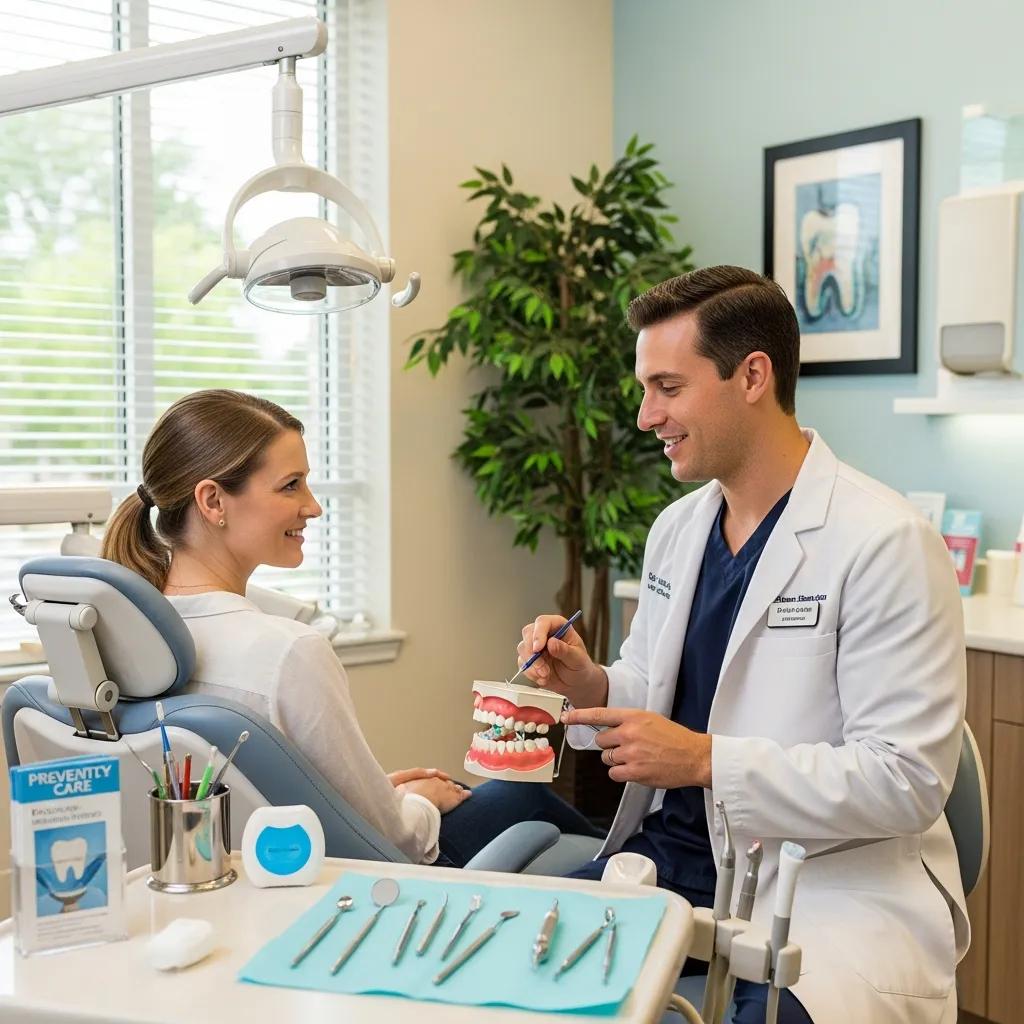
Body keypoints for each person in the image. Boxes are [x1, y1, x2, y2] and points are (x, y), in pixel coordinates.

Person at [516, 267, 967, 1024]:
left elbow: (909, 779)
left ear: (752, 375)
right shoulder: (678, 530)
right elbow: (658, 698)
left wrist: (703, 760)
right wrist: (592, 688)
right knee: (510, 989)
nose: (643, 415)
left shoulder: (884, 542)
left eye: (666, 387)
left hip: (820, 887)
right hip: (671, 862)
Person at [100, 389, 471, 864]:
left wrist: (381, 796)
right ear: (213, 501)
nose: (313, 506)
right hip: (361, 886)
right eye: (291, 485)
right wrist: (421, 800)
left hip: (227, 880)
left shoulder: (122, 643)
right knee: (522, 804)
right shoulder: (287, 651)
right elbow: (395, 842)